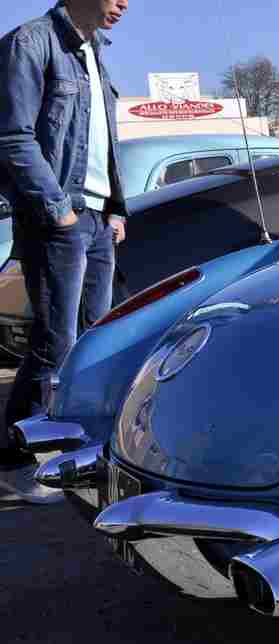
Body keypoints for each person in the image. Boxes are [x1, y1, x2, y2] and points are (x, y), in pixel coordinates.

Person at [0, 0, 129, 504]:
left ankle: (81, 453)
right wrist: (59, 211)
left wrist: (115, 208)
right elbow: (13, 136)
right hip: (60, 216)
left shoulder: (95, 49)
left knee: (97, 341)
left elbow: (103, 139)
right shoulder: (32, 42)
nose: (124, 3)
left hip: (97, 219)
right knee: (56, 342)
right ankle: (15, 456)